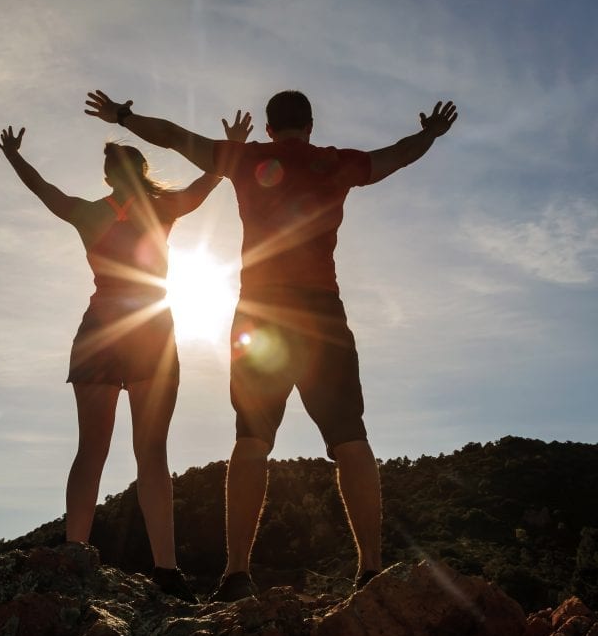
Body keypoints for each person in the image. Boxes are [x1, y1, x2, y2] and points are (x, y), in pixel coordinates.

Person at [85, 89, 457, 601]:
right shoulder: (336, 164)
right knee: (350, 438)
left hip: (260, 315)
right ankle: (370, 570)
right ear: (309, 124)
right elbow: (396, 156)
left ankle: (237, 573)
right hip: (322, 313)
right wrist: (429, 135)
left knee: (252, 440)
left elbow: (172, 136)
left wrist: (124, 116)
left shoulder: (249, 158)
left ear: (267, 125)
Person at [0, 116, 251, 602]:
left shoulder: (91, 213)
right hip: (150, 333)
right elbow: (207, 183)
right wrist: (231, 148)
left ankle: (74, 556)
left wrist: (14, 157)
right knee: (151, 453)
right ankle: (167, 571)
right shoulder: (163, 208)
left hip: (101, 331)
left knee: (91, 451)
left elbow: (44, 190)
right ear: (141, 171)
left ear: (111, 177)